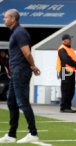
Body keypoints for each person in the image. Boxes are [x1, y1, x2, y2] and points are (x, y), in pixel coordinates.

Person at [0, 9, 40, 143]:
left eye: (5, 17)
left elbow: (27, 53)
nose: (3, 19)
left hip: (21, 71)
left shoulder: (20, 32)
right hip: (16, 72)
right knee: (11, 102)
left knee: (22, 102)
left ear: (13, 19)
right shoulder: (15, 33)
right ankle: (11, 135)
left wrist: (33, 66)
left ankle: (33, 133)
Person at [56, 34, 76, 113]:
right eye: (69, 39)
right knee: (66, 90)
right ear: (64, 40)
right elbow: (66, 60)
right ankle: (63, 107)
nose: (71, 40)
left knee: (71, 90)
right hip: (64, 71)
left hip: (71, 71)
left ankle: (68, 106)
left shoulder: (70, 49)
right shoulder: (62, 49)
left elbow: (75, 59)